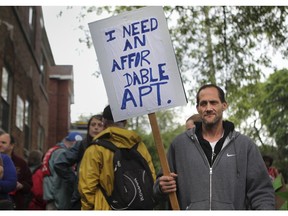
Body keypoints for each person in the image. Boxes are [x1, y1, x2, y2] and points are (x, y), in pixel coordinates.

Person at [153, 84, 275, 210]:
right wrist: (160, 187)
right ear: (198, 108)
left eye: (213, 102)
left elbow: (262, 193)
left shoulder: (245, 146)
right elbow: (158, 188)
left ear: (224, 105)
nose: (208, 108)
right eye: (203, 104)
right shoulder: (179, 145)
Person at [78, 105, 156, 210]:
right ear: (125, 122)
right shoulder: (139, 146)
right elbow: (151, 176)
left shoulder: (95, 149)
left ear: (104, 123)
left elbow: (86, 188)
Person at [54, 114, 104, 209]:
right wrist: (75, 181)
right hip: (81, 199)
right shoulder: (81, 145)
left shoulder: (109, 147)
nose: (96, 128)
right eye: (93, 125)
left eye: (99, 125)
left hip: (102, 198)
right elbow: (60, 163)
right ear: (88, 127)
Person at [43, 132, 83, 210]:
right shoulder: (62, 153)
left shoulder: (52, 150)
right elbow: (59, 181)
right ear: (74, 143)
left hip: (50, 198)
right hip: (58, 201)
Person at [0, 132, 33, 210]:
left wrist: (21, 185)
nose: (0, 144)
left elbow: (29, 183)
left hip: (15, 202)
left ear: (12, 145)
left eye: (3, 142)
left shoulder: (21, 163)